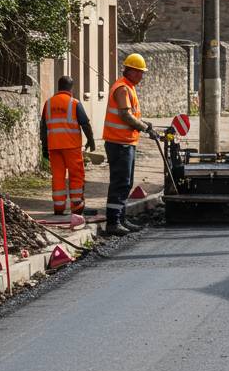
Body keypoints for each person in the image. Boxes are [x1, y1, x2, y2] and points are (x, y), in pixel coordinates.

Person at [102, 52, 156, 237]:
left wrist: (144, 123)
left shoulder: (128, 87)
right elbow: (125, 115)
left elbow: (131, 114)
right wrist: (144, 128)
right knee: (120, 182)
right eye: (140, 72)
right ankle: (113, 222)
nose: (142, 75)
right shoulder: (123, 89)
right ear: (131, 71)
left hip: (125, 142)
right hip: (119, 143)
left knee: (126, 182)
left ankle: (121, 218)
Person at [41, 76, 95, 216]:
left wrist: (44, 147)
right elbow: (85, 124)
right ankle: (76, 206)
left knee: (58, 176)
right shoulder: (74, 103)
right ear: (71, 88)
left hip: (54, 146)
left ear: (58, 87)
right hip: (71, 146)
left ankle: (59, 207)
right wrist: (91, 140)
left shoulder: (48, 103)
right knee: (76, 175)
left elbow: (43, 127)